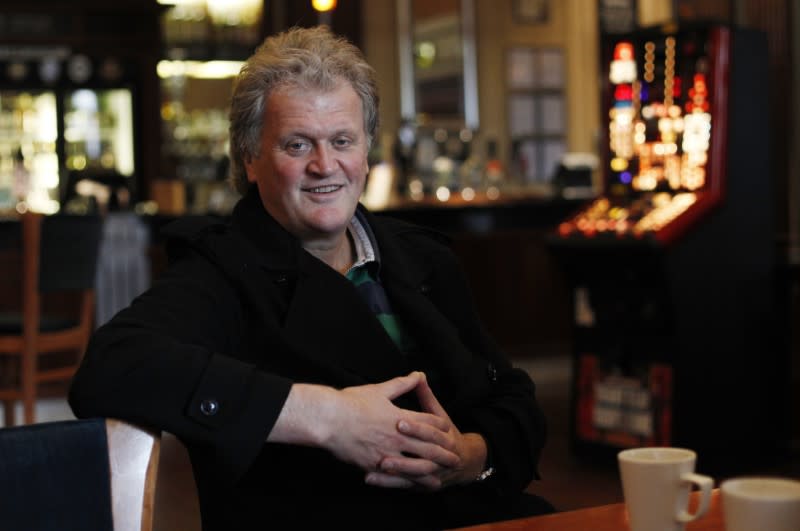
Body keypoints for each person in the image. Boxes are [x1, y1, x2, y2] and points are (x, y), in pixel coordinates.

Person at [69, 26, 552, 530]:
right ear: (250, 159)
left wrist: (468, 457)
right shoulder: (221, 268)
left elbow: (515, 400)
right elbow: (111, 367)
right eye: (297, 145)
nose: (325, 166)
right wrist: (325, 417)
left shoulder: (421, 254)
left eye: (342, 140)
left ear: (366, 151)